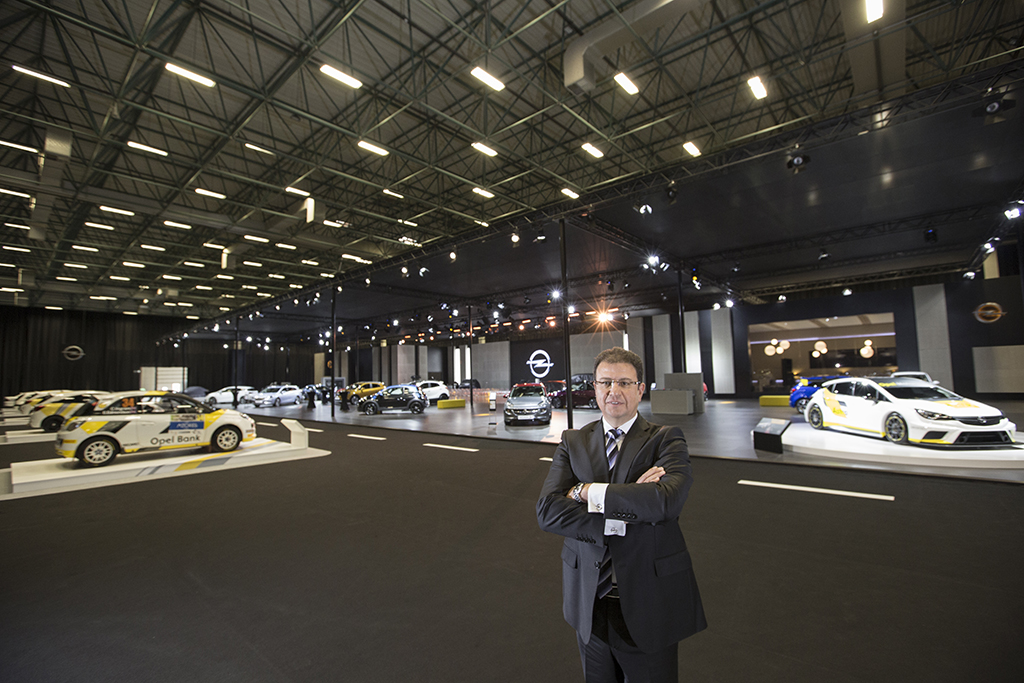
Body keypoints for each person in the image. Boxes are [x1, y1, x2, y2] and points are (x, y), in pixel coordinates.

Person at [537, 347, 706, 683]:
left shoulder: (665, 440)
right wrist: (629, 507)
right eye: (605, 382)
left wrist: (585, 492)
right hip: (589, 601)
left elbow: (666, 502)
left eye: (624, 383)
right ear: (595, 388)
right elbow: (548, 511)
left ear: (640, 389)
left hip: (648, 602)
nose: (614, 391)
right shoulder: (572, 442)